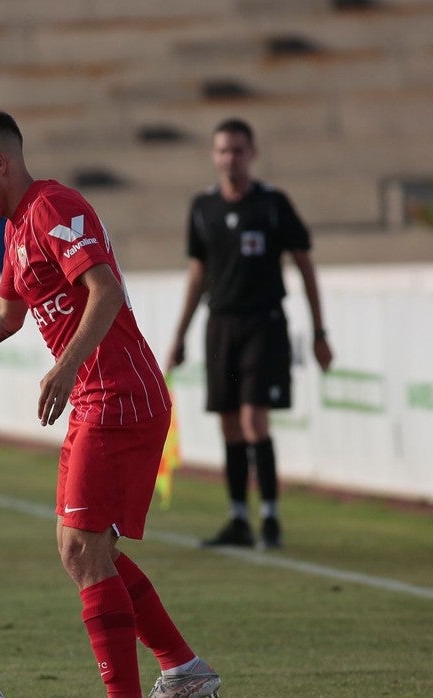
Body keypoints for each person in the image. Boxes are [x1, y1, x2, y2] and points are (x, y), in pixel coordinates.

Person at [0, 107, 221, 698]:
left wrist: (64, 368)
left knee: (84, 551)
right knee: (81, 551)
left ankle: (152, 685)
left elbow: (106, 289)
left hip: (118, 393)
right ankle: (185, 672)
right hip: (97, 395)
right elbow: (6, 317)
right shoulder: (17, 228)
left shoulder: (54, 208)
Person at [167, 117, 333, 550]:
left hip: (264, 323)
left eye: (238, 150)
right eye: (223, 150)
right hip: (220, 324)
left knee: (253, 418)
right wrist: (180, 335)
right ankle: (238, 517)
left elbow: (305, 265)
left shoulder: (273, 204)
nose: (230, 158)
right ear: (213, 155)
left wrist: (319, 331)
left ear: (252, 154)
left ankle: (271, 516)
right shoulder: (203, 207)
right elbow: (197, 273)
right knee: (229, 424)